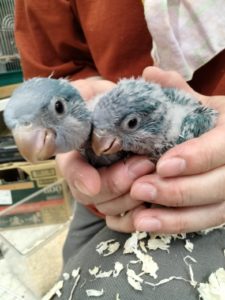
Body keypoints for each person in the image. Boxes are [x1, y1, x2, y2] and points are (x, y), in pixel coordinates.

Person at [14, 1, 225, 299]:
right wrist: (85, 109)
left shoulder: (178, 123)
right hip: (100, 201)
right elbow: (58, 71)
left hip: (211, 183)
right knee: (73, 282)